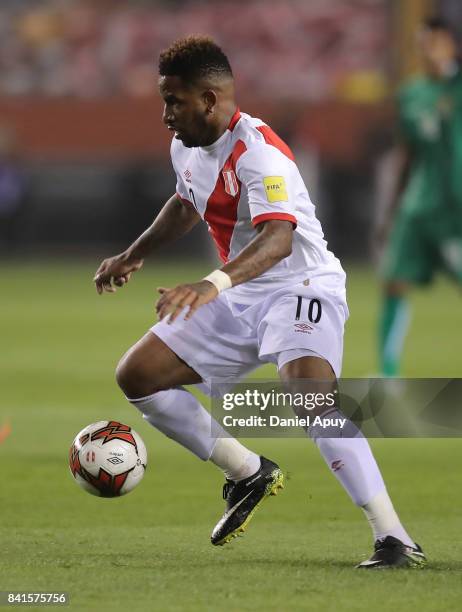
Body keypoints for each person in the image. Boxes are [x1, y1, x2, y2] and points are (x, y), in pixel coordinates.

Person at [94, 36, 425, 568]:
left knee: (311, 398)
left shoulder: (260, 152)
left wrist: (209, 285)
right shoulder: (188, 146)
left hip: (300, 286)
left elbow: (278, 240)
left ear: (208, 99)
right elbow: (186, 203)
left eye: (174, 102)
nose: (165, 115)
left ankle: (394, 537)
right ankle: (247, 472)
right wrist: (133, 254)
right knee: (138, 374)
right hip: (241, 288)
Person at [376, 17, 462, 376]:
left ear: (451, 46)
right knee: (394, 282)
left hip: (456, 209)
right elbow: (407, 155)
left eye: (435, 42)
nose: (428, 50)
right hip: (418, 206)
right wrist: (391, 211)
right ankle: (389, 375)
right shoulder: (410, 94)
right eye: (423, 43)